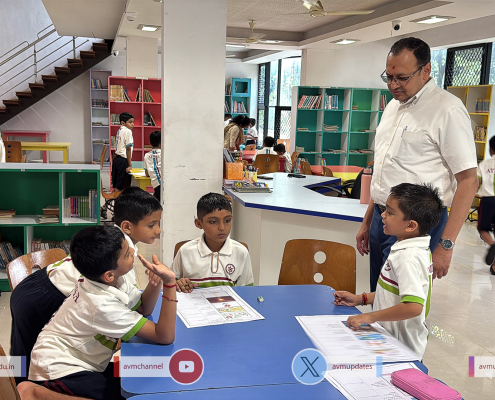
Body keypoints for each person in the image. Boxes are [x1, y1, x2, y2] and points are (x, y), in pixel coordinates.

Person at [355, 37, 478, 291]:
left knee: (402, 301)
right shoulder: (392, 107)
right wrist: (368, 221)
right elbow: (385, 170)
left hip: (417, 224)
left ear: (426, 70)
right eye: (389, 77)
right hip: (382, 217)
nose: (393, 85)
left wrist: (446, 245)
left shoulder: (447, 110)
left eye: (401, 77)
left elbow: (468, 180)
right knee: (379, 295)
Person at [10, 187, 162, 383]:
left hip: (44, 284)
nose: (158, 231)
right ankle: (17, 390)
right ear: (127, 226)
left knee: (27, 355)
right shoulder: (117, 254)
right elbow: (135, 307)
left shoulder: (119, 242)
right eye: (151, 225)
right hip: (42, 294)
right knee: (24, 359)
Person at [17, 225, 177, 400]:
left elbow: (144, 308)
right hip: (58, 368)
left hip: (83, 360)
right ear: (108, 275)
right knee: (132, 394)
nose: (133, 251)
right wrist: (170, 284)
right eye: (126, 254)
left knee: (141, 376)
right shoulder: (101, 305)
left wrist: (156, 282)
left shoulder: (110, 280)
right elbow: (164, 336)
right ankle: (32, 392)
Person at [335, 183, 443, 359]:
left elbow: (413, 306)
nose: (383, 215)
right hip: (389, 342)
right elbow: (392, 292)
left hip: (402, 350)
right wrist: (360, 299)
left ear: (410, 225)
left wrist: (371, 317)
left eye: (390, 213)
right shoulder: (410, 248)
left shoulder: (407, 258)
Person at [172, 192, 254, 293]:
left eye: (227, 220)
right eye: (213, 222)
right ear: (199, 223)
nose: (222, 228)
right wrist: (179, 284)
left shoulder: (241, 252)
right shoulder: (186, 251)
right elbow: (171, 284)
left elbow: (246, 291)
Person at [477, 136, 495, 273]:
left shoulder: (484, 164)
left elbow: (476, 182)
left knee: (483, 229)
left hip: (488, 201)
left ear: (490, 149)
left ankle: (492, 245)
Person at [112, 112, 134, 191]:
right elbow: (128, 149)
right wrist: (129, 165)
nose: (133, 124)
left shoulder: (120, 130)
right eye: (130, 122)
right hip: (123, 160)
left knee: (117, 185)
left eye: (133, 122)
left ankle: (113, 198)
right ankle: (117, 198)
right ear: (123, 123)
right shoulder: (128, 131)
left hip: (117, 159)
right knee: (122, 187)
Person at [144, 130, 162, 201]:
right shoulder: (164, 153)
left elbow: (147, 173)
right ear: (161, 144)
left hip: (155, 184)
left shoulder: (147, 155)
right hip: (164, 183)